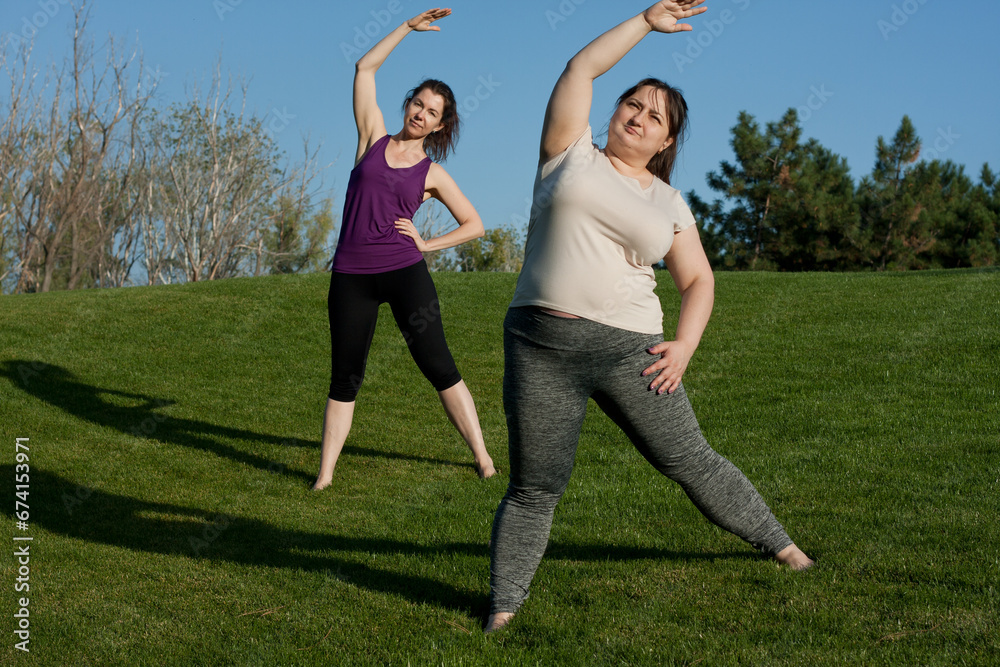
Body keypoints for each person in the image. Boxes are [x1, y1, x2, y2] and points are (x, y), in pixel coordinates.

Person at [485, 0, 812, 632]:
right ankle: (502, 610)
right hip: (539, 349)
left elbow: (699, 280)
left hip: (630, 350)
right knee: (535, 485)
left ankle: (788, 551)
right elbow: (580, 68)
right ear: (613, 112)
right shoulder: (568, 153)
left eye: (655, 116)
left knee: (690, 460)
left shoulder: (669, 202)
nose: (638, 116)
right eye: (631, 104)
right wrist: (643, 22)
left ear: (666, 142)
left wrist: (684, 345)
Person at [313, 8, 496, 490]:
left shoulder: (432, 173)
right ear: (408, 104)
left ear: (439, 125)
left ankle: (483, 459)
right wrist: (407, 29)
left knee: (438, 365)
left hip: (404, 271)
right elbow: (364, 68)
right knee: (345, 375)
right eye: (418, 103)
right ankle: (325, 476)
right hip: (351, 275)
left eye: (432, 112)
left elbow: (475, 224)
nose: (421, 113)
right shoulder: (372, 137)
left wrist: (429, 243)